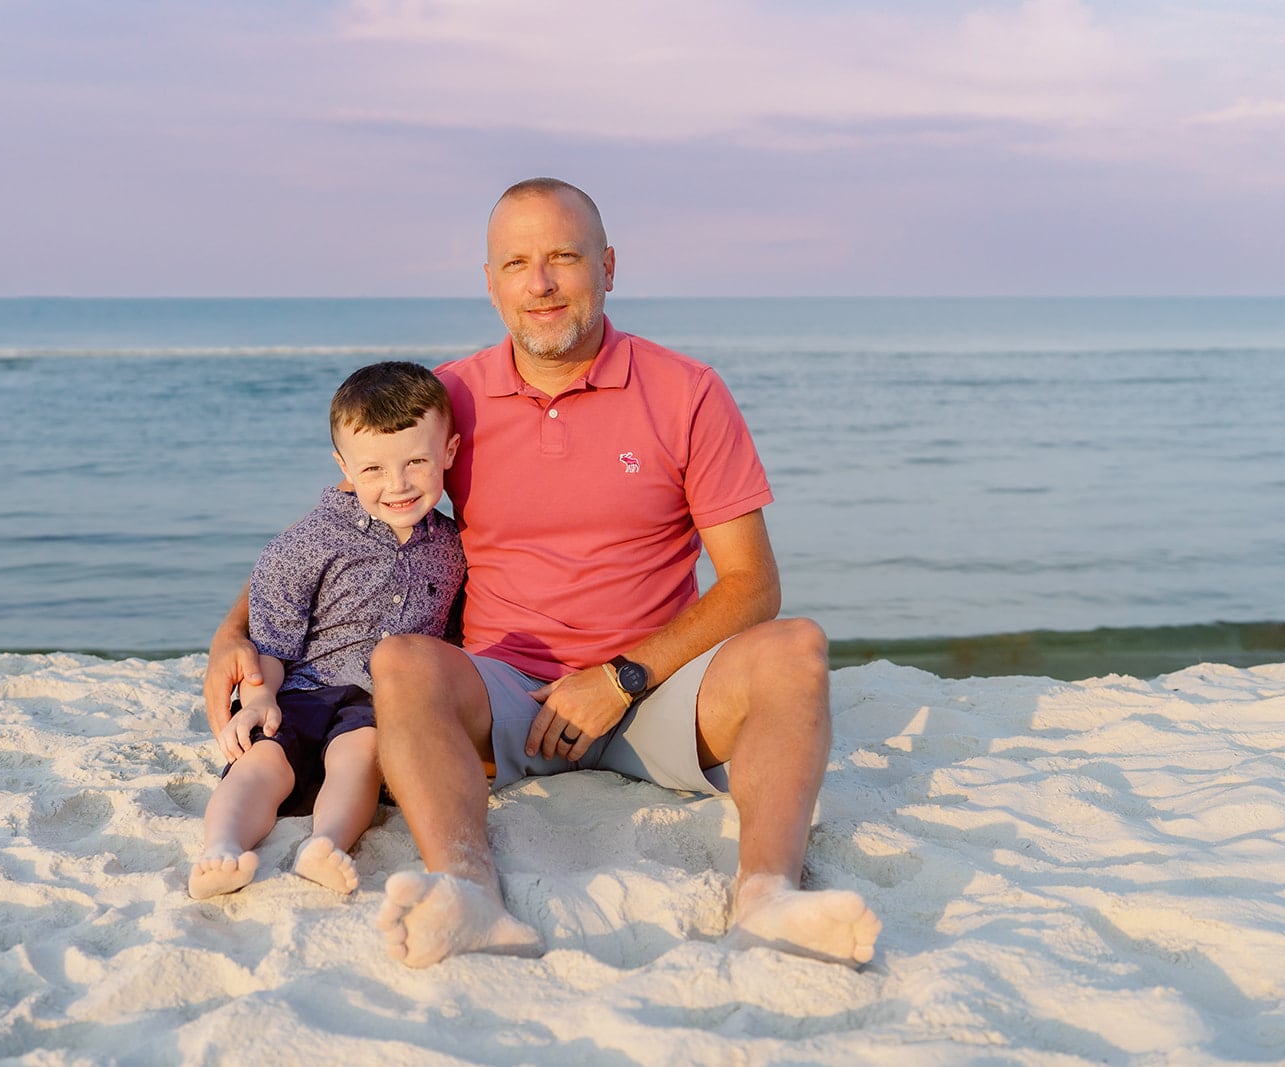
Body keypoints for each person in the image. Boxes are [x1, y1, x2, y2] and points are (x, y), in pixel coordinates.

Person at [205, 179, 880, 969]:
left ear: (608, 266)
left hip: (658, 688)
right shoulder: (448, 398)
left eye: (564, 256)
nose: (541, 284)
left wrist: (622, 677)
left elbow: (753, 584)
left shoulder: (687, 392)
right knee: (401, 662)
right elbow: (339, 526)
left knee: (796, 646)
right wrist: (232, 632)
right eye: (517, 263)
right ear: (490, 281)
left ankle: (768, 895)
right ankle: (470, 896)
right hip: (504, 697)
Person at [189, 360, 464, 901]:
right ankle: (221, 848)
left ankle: (326, 843)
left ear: (449, 452)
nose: (397, 485)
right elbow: (272, 641)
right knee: (261, 762)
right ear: (344, 466)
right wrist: (259, 700)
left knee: (358, 756)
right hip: (301, 691)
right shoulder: (309, 541)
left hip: (376, 704)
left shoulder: (453, 548)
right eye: (373, 469)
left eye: (416, 462)